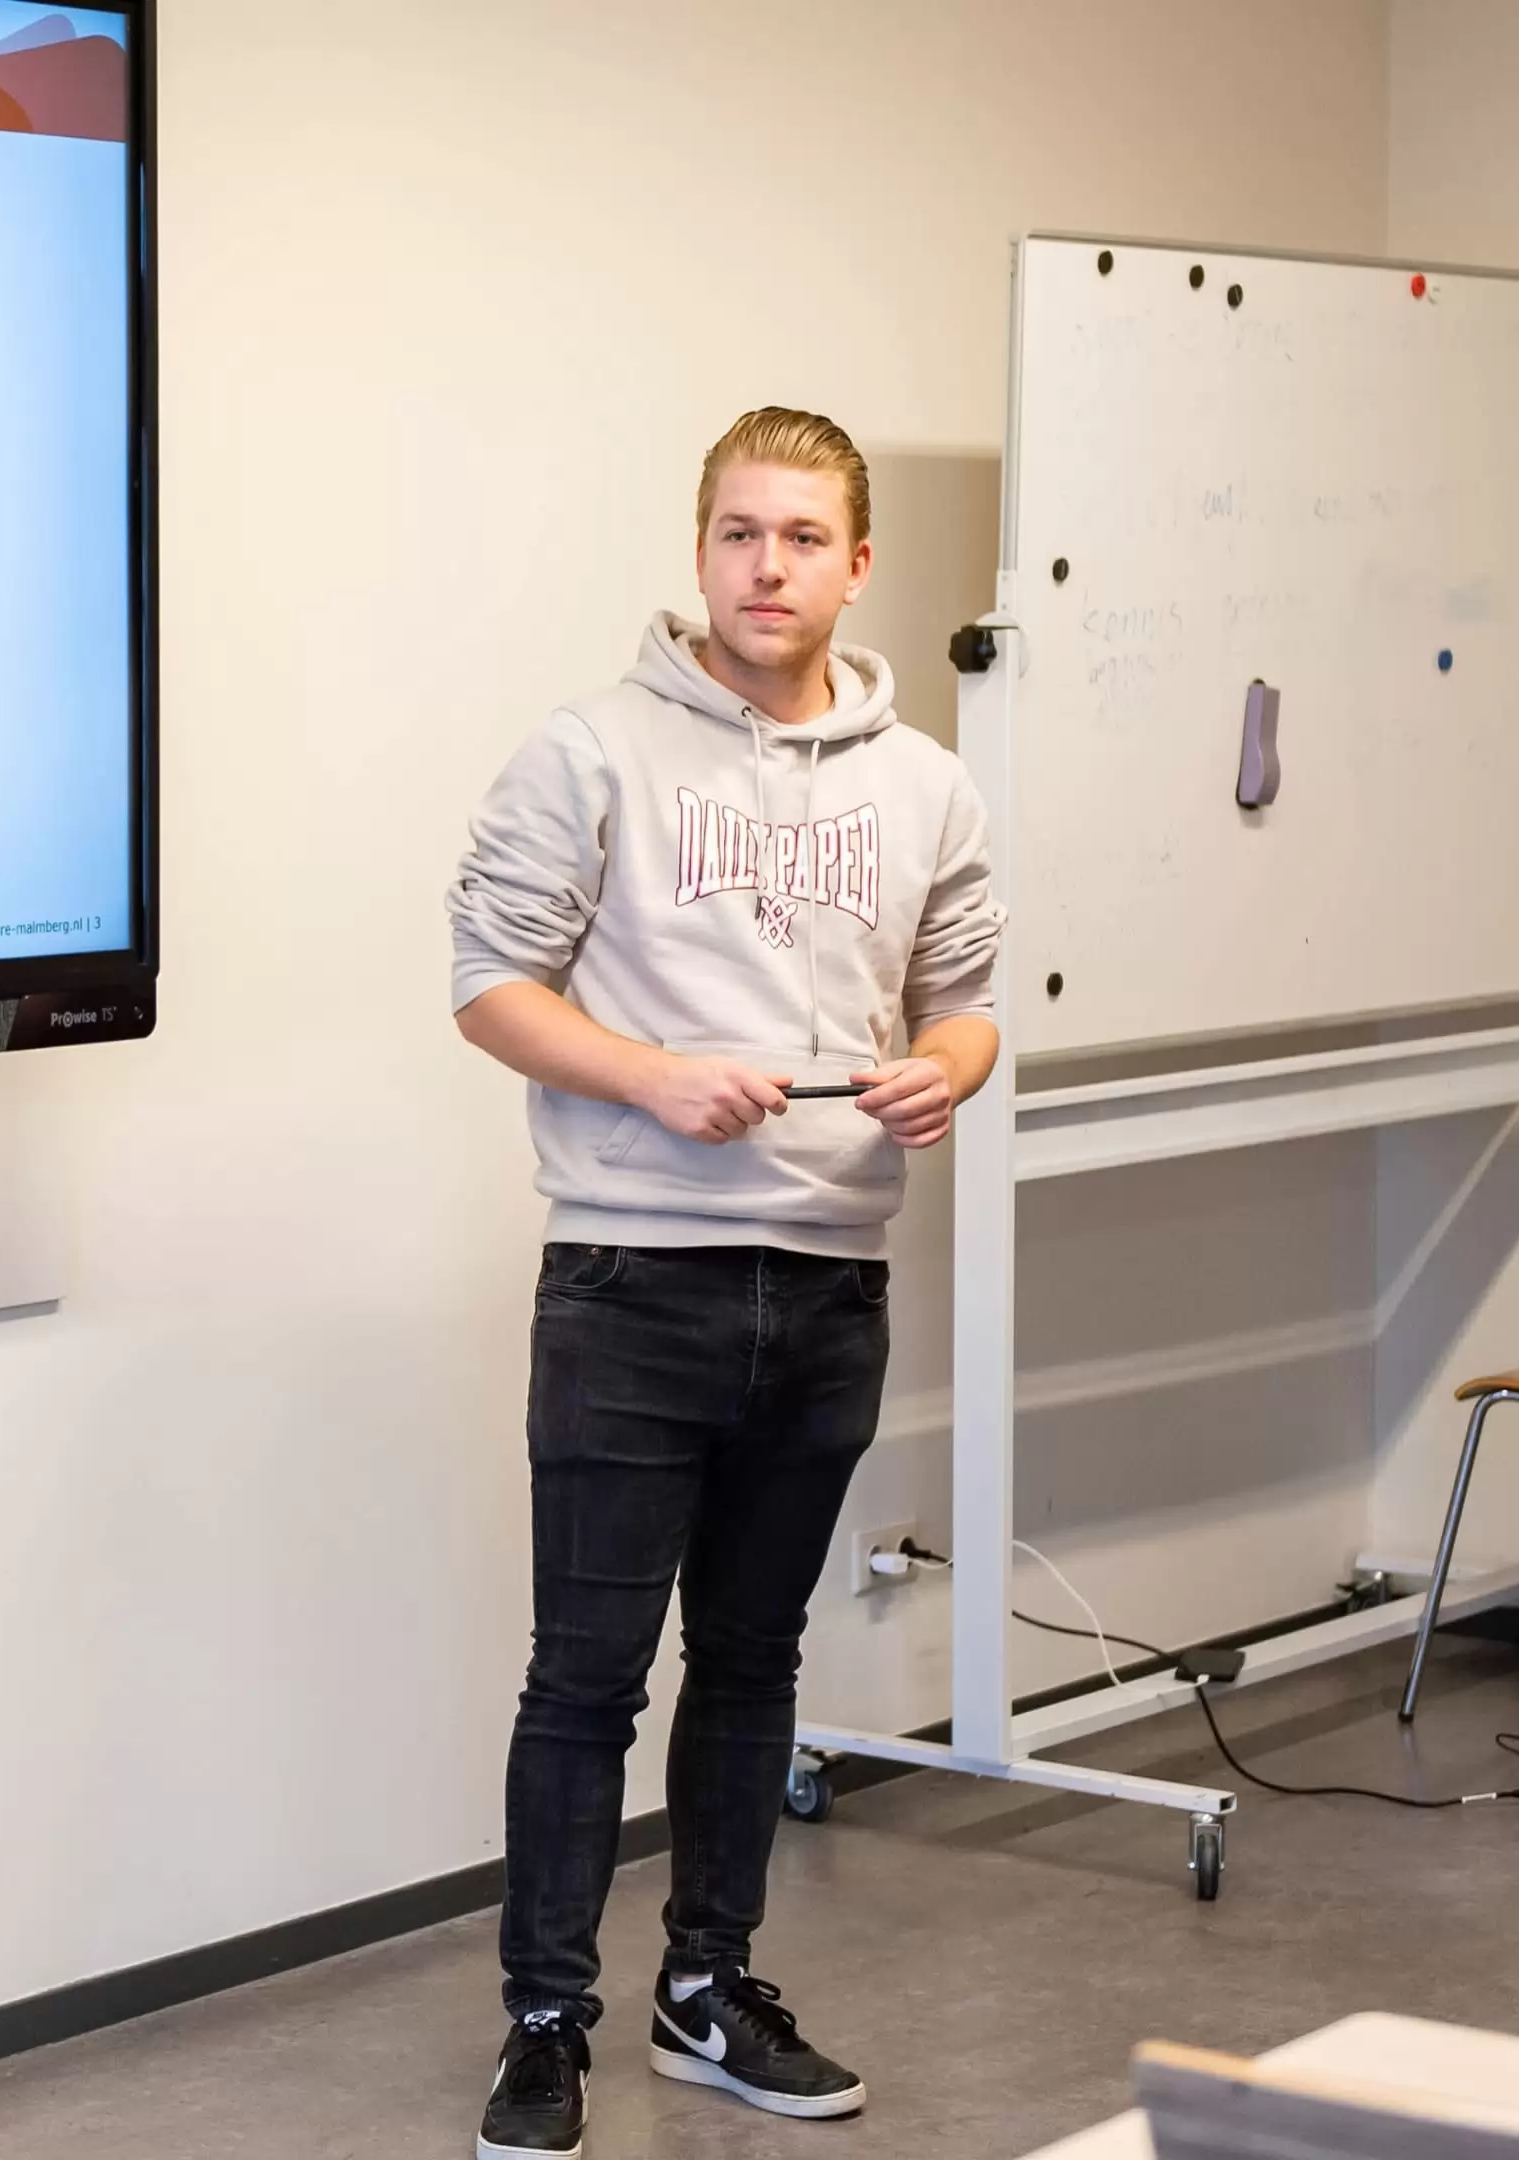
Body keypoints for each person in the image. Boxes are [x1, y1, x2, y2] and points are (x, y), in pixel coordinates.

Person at [446, 408, 1003, 2157]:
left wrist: (949, 1070)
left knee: (753, 1658)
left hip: (829, 1286)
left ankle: (711, 1987)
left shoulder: (927, 782)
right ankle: (547, 2023)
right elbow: (488, 983)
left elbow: (967, 995)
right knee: (585, 1677)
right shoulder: (590, 752)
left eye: (804, 538)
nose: (770, 569)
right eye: (740, 535)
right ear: (699, 554)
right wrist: (647, 1074)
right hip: (633, 1280)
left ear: (857, 563)